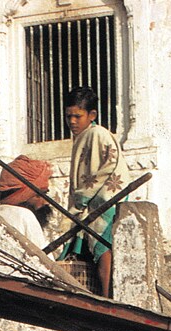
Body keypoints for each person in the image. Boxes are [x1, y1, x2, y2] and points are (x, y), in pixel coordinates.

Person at [58, 86, 124, 295]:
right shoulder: (82, 137)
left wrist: (84, 195)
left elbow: (112, 164)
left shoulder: (98, 134)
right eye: (69, 116)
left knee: (102, 245)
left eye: (78, 116)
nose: (72, 121)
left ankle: (105, 295)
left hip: (104, 197)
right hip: (90, 198)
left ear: (92, 115)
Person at [0, 155, 53, 249]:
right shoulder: (24, 215)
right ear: (23, 196)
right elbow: (44, 260)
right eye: (39, 195)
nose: (45, 202)